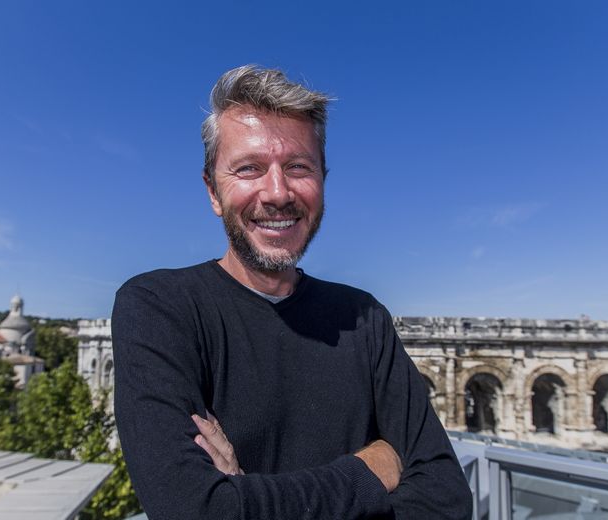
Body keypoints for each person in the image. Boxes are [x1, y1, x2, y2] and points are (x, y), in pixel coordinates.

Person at [112, 65, 473, 520]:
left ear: (323, 180)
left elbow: (448, 499)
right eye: (249, 168)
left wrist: (247, 497)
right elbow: (195, 510)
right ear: (213, 192)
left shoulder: (364, 317)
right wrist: (372, 469)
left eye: (299, 167)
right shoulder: (159, 307)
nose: (278, 192)